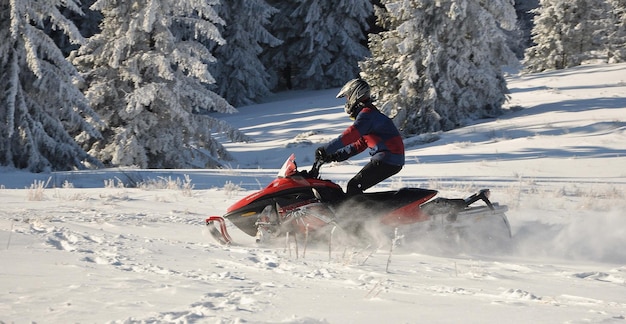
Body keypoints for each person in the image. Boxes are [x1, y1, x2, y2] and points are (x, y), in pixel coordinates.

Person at [316, 78, 405, 196]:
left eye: (347, 97)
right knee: (355, 187)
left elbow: (351, 134)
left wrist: (326, 149)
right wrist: (336, 156)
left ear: (355, 95)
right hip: (389, 159)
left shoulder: (367, 115)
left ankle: (365, 214)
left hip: (388, 159)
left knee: (354, 187)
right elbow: (360, 144)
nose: (347, 101)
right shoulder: (369, 114)